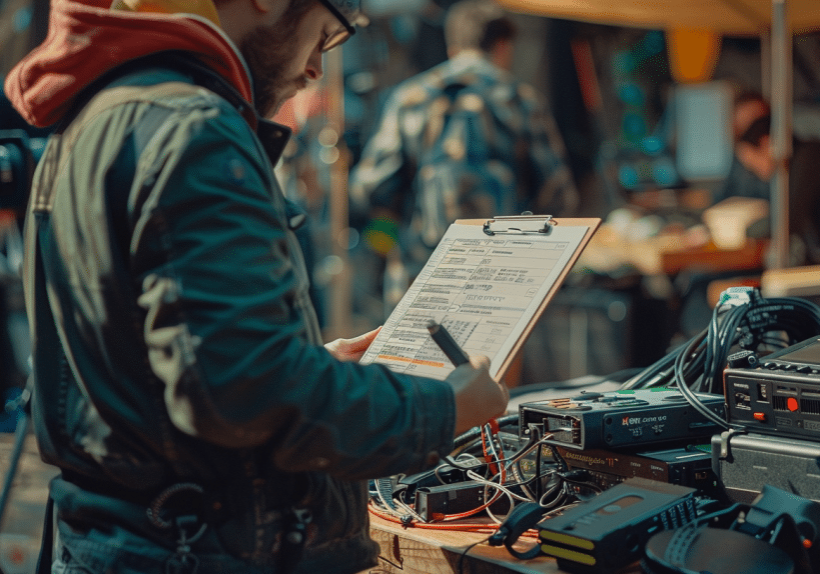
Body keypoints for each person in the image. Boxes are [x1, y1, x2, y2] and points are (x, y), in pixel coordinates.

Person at [3, 0, 509, 572]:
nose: (316, 67)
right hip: (195, 552)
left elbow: (157, 372)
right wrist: (444, 408)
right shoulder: (194, 127)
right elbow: (245, 395)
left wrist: (303, 359)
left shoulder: (95, 113)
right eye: (324, 36)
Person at [349, 0, 578, 312]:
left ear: (453, 46)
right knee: (495, 360)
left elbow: (372, 188)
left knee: (418, 360)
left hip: (422, 274)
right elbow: (558, 194)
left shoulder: (410, 97)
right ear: (502, 46)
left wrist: (391, 246)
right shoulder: (521, 100)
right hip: (502, 278)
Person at [716, 91, 820, 266]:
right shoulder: (801, 159)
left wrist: (739, 229)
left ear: (765, 143)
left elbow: (786, 221)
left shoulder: (808, 159)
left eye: (753, 163)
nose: (756, 172)